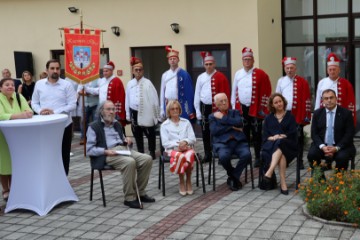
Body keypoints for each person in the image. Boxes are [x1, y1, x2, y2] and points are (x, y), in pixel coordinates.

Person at [87, 100, 155, 209]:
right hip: (108, 154)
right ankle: (129, 198)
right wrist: (105, 151)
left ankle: (140, 193)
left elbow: (122, 139)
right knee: (130, 162)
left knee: (147, 159)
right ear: (101, 111)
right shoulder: (94, 127)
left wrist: (127, 140)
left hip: (123, 150)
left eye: (113, 109)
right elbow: (89, 150)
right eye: (109, 109)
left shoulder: (117, 124)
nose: (112, 112)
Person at [31, 59, 77, 175]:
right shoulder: (39, 84)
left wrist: (55, 112)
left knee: (64, 153)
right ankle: (49, 178)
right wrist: (40, 111)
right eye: (52, 68)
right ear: (46, 70)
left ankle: (63, 179)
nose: (55, 71)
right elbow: (34, 103)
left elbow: (72, 104)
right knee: (46, 153)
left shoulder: (67, 85)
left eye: (57, 68)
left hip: (64, 125)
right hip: (44, 125)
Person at [231, 47, 272, 168]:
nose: (247, 61)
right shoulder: (238, 74)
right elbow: (234, 91)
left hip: (255, 108)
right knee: (244, 133)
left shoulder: (261, 74)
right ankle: (246, 155)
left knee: (257, 133)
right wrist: (234, 107)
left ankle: (258, 156)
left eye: (249, 59)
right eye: (245, 59)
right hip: (242, 108)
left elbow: (267, 90)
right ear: (242, 61)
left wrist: (264, 107)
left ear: (253, 60)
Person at [209, 93, 251, 191]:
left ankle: (233, 177)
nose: (224, 103)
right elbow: (215, 131)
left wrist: (223, 119)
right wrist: (232, 127)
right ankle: (233, 175)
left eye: (226, 100)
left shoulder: (235, 112)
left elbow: (239, 123)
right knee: (223, 157)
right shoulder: (212, 116)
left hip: (238, 142)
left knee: (247, 155)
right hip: (222, 143)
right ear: (216, 104)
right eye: (221, 101)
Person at [194, 52, 231, 163]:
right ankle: (207, 154)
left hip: (217, 108)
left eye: (211, 64)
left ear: (214, 64)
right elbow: (197, 94)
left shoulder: (220, 76)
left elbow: (226, 93)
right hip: (205, 107)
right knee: (205, 132)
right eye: (207, 64)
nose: (209, 66)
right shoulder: (200, 77)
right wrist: (197, 110)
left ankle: (221, 154)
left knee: (219, 131)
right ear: (204, 65)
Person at [0, 78, 33, 201]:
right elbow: (1, 116)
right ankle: (5, 189)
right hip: (2, 137)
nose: (10, 87)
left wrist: (27, 114)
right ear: (0, 88)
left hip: (18, 137)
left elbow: (29, 111)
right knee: (4, 164)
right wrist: (19, 116)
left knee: (15, 163)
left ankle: (14, 188)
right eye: (7, 85)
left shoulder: (19, 97)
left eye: (12, 85)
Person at [275, 57, 311, 170]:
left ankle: (299, 160)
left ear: (295, 68)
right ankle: (286, 159)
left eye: (291, 67)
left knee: (298, 138)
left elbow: (307, 99)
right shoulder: (281, 81)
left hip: (298, 113)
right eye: (287, 68)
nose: (289, 70)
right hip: (284, 113)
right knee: (284, 138)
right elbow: (277, 96)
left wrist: (306, 115)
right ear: (284, 68)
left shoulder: (302, 81)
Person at [308, 89, 356, 172]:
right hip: (323, 145)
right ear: (322, 101)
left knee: (342, 157)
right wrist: (322, 147)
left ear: (336, 99)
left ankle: (338, 180)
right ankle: (320, 180)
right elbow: (314, 134)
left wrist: (336, 148)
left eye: (331, 97)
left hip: (340, 145)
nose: (329, 100)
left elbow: (349, 134)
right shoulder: (317, 114)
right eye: (326, 98)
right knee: (312, 155)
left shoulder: (346, 113)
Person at [261, 93, 298, 195]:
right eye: (276, 102)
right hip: (271, 144)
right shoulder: (268, 118)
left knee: (281, 143)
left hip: (288, 144)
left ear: (283, 102)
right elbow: (265, 136)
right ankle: (283, 183)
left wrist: (282, 136)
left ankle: (270, 171)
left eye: (280, 101)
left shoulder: (290, 116)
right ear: (272, 105)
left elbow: (292, 133)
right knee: (280, 148)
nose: (279, 104)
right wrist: (273, 137)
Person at [125, 57, 160, 159]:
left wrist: (156, 115)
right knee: (137, 133)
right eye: (136, 70)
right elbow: (127, 99)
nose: (138, 72)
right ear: (132, 71)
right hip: (134, 112)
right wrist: (128, 113)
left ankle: (152, 151)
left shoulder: (148, 83)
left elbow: (155, 99)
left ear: (143, 71)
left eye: (140, 70)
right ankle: (140, 152)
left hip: (146, 112)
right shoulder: (130, 84)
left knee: (150, 133)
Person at [160, 100, 196, 196]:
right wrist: (178, 146)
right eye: (172, 109)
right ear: (169, 111)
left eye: (177, 108)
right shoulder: (164, 125)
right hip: (172, 150)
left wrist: (185, 142)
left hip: (186, 148)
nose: (175, 110)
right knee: (180, 156)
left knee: (190, 154)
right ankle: (181, 181)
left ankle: (188, 180)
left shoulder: (186, 122)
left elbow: (192, 138)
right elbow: (165, 143)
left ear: (180, 110)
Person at [314, 52, 356, 125]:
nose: (332, 71)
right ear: (327, 70)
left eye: (334, 69)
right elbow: (318, 101)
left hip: (341, 118)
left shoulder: (346, 84)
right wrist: (316, 117)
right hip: (324, 117)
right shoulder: (321, 83)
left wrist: (350, 121)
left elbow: (351, 103)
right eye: (330, 69)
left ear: (339, 70)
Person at [84, 61, 126, 127]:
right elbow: (98, 91)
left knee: (115, 127)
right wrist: (86, 88)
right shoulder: (102, 80)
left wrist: (117, 111)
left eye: (107, 71)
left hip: (111, 109)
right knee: (101, 126)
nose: (104, 73)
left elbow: (120, 97)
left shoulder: (116, 81)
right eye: (103, 71)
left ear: (112, 71)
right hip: (102, 108)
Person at [160, 46, 195, 120]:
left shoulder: (184, 74)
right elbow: (162, 93)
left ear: (178, 60)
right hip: (168, 103)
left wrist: (190, 110)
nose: (172, 60)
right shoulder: (165, 75)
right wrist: (162, 108)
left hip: (180, 104)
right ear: (168, 61)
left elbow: (189, 93)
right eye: (170, 59)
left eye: (174, 59)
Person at [77, 79, 99, 145]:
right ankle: (83, 137)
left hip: (95, 104)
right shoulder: (82, 81)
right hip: (85, 104)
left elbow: (99, 92)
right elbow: (79, 91)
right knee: (83, 121)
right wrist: (90, 93)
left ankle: (95, 138)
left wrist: (87, 92)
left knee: (96, 122)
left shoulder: (99, 80)